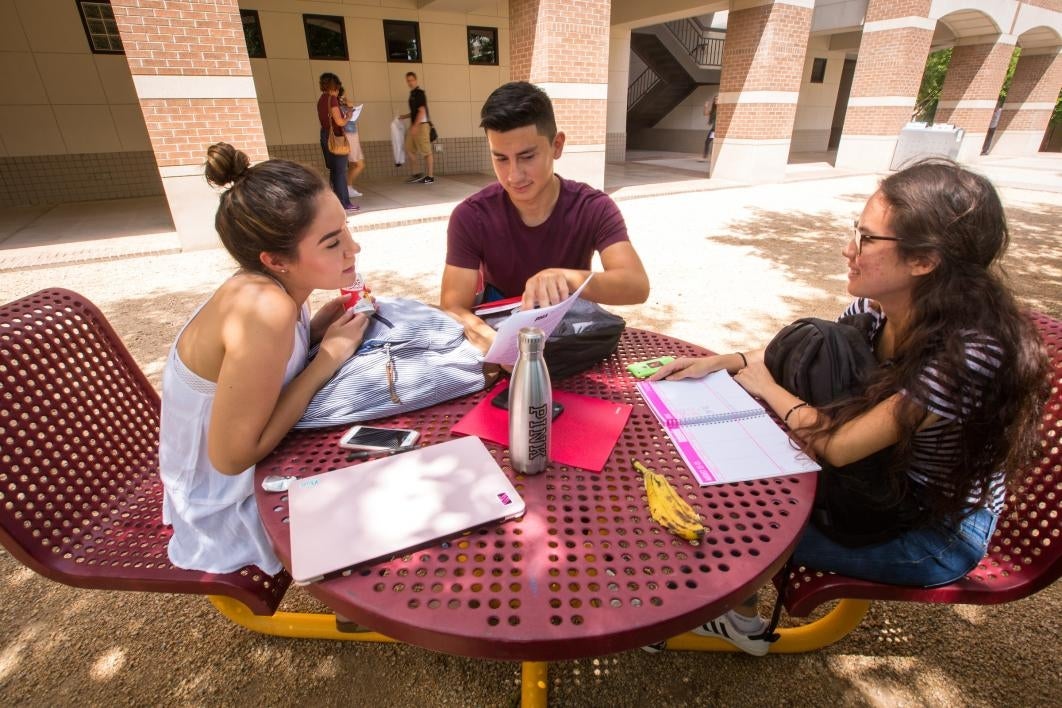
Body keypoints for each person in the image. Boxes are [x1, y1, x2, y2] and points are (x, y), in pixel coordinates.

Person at [645, 159, 1049, 655]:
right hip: (878, 484)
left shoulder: (964, 357)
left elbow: (837, 447)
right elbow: (789, 357)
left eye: (867, 238)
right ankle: (738, 611)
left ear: (924, 260)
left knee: (727, 527)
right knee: (726, 480)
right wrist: (724, 362)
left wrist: (768, 388)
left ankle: (737, 623)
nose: (848, 249)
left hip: (932, 531)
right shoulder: (879, 308)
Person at [159, 142, 370, 574]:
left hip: (243, 479)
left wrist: (313, 332)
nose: (354, 248)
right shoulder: (265, 309)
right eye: (333, 242)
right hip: (224, 508)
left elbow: (263, 369)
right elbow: (233, 456)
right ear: (275, 260)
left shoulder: (276, 288)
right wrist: (325, 359)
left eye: (346, 229)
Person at [440, 81, 650, 351]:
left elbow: (636, 286)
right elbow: (453, 306)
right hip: (498, 334)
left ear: (557, 145)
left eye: (527, 156)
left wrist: (565, 278)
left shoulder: (593, 207)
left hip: (569, 337)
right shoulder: (471, 216)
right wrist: (498, 345)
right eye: (501, 159)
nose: (514, 176)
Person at [317, 72, 358, 214]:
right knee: (340, 172)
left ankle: (333, 202)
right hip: (336, 138)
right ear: (334, 86)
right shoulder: (332, 99)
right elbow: (339, 121)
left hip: (325, 136)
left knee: (334, 171)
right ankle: (344, 203)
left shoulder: (322, 99)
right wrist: (348, 116)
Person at [399, 71, 434, 184]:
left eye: (411, 80)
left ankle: (430, 177)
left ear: (416, 80)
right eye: (408, 80)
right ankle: (417, 174)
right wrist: (404, 116)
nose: (410, 82)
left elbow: (422, 111)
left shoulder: (419, 93)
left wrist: (415, 126)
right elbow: (415, 111)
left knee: (426, 151)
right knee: (409, 148)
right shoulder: (412, 94)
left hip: (421, 126)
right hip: (415, 125)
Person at [339, 85, 366, 198]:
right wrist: (346, 100)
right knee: (359, 164)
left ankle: (348, 187)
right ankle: (347, 187)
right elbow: (350, 106)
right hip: (349, 135)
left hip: (352, 135)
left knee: (355, 164)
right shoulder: (339, 105)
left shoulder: (340, 105)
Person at [700, 96, 717, 164]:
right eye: (715, 99)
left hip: (720, 129)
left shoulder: (722, 108)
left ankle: (714, 157)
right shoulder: (713, 110)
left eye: (717, 99)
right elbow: (705, 113)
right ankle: (705, 157)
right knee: (707, 142)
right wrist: (705, 106)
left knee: (716, 144)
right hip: (714, 129)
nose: (716, 100)